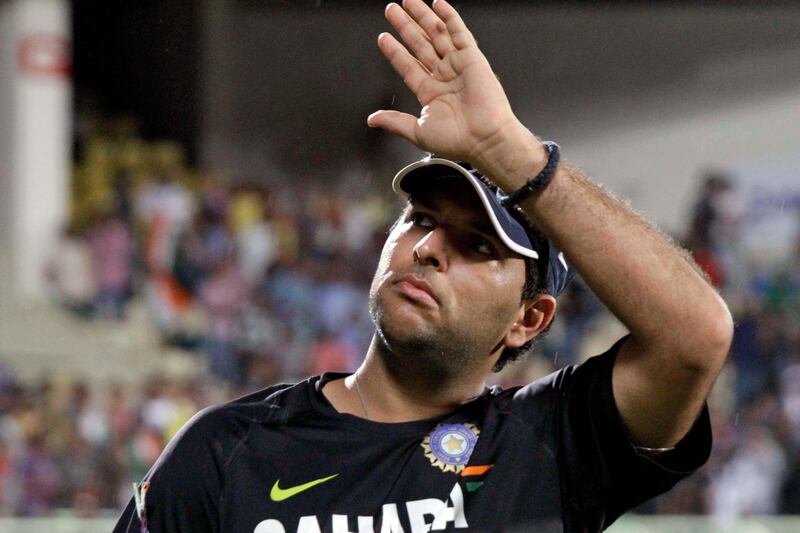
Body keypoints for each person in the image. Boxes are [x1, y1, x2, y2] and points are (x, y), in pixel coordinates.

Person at [113, 1, 732, 531]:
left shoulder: (548, 446)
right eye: (421, 219)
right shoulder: (224, 452)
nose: (430, 247)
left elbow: (694, 336)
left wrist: (511, 155)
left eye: (478, 247)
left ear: (529, 319)